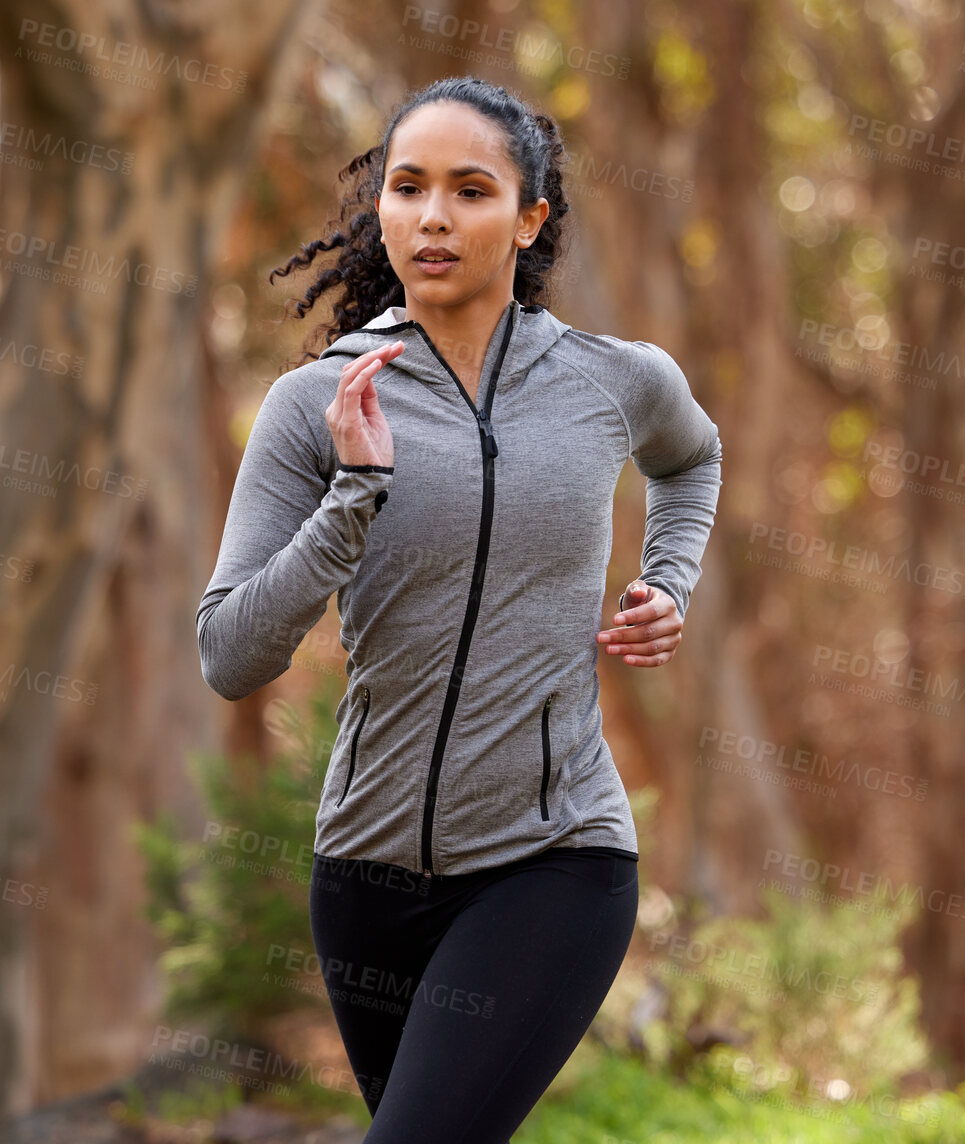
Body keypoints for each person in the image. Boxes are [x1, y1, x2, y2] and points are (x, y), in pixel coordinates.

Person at [195, 75, 723, 1143]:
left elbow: (693, 458)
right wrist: (353, 494)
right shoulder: (316, 406)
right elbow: (230, 653)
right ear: (379, 211)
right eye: (408, 188)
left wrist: (667, 582)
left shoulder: (611, 382)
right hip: (363, 876)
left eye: (471, 190)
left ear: (530, 219)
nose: (434, 216)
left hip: (553, 857)